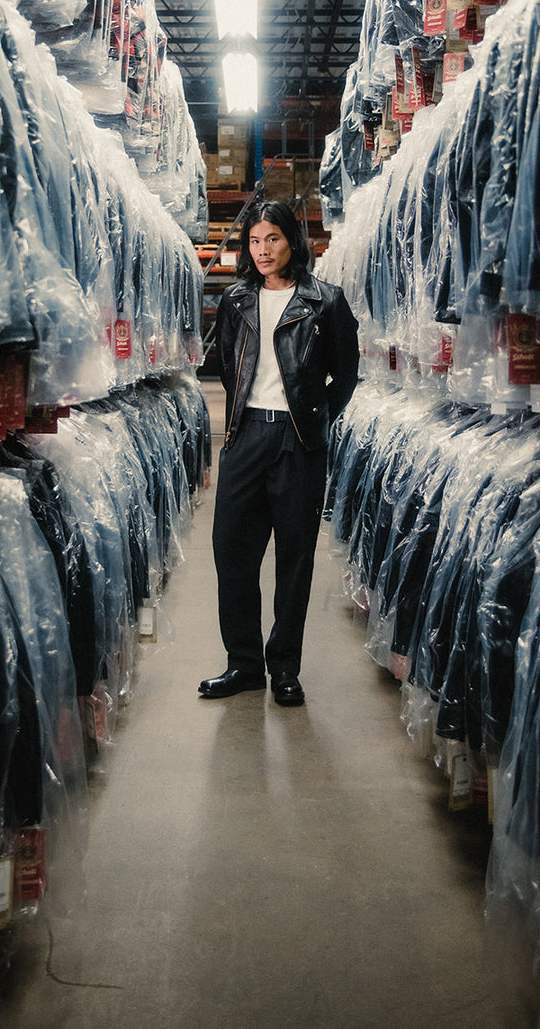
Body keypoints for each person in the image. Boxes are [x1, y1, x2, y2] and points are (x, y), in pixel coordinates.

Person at [199, 200, 360, 706]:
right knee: (233, 552)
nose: (262, 250)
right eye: (254, 240)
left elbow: (346, 372)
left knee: (295, 559)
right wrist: (252, 414)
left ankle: (285, 667)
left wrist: (314, 414)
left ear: (292, 239)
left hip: (299, 441)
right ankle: (243, 664)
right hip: (246, 438)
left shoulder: (324, 301)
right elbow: (227, 366)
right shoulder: (236, 301)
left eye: (272, 238)